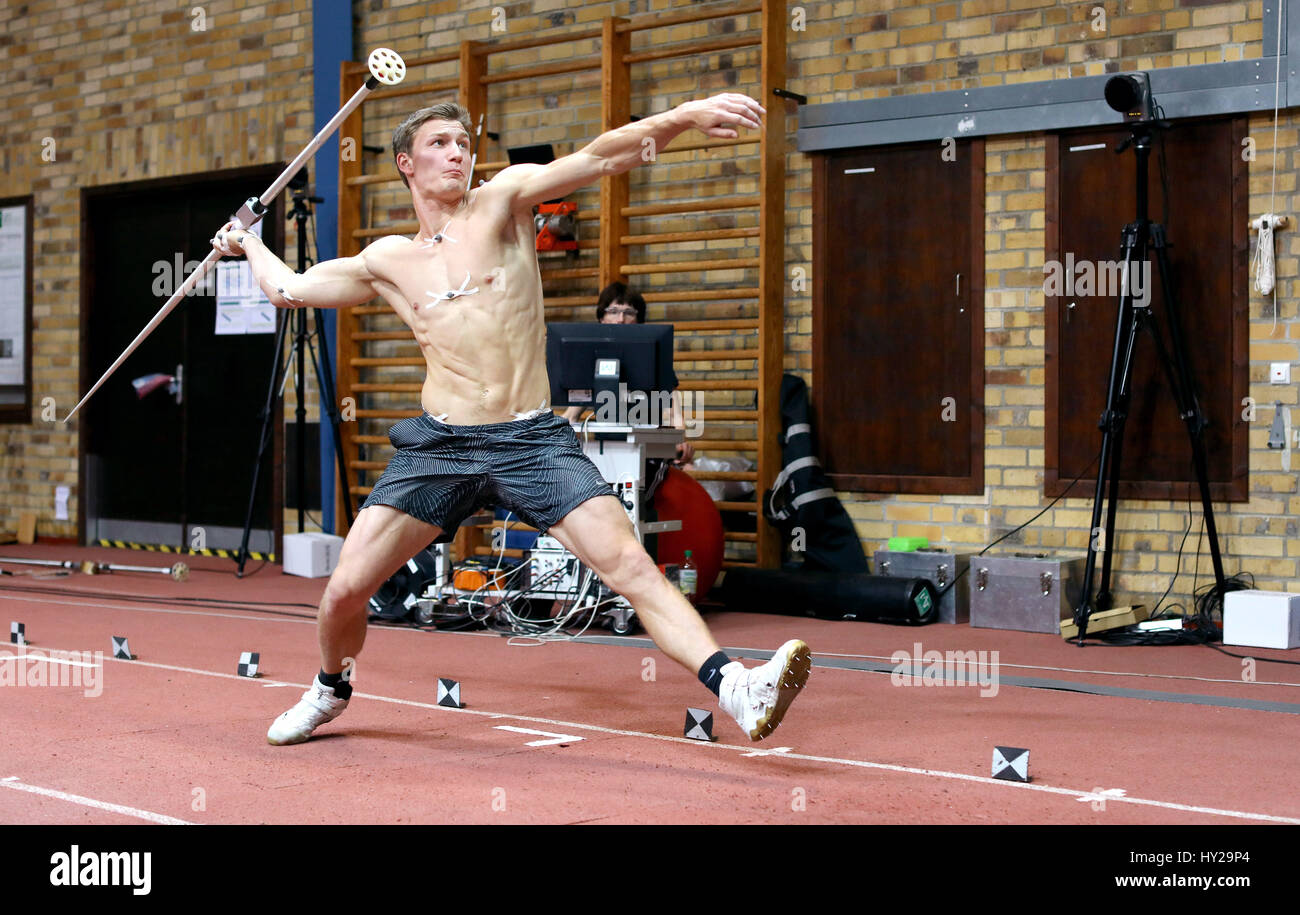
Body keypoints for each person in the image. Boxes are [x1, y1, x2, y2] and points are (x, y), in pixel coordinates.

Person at [211, 93, 810, 746]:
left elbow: (602, 156)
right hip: (440, 445)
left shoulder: (504, 200)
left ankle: (740, 690)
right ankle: (330, 687)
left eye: (462, 143)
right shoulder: (388, 261)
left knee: (630, 566)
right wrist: (245, 241)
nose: (457, 152)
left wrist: (683, 115)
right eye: (439, 143)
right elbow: (291, 289)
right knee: (344, 592)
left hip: (530, 438)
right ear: (406, 164)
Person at [563, 281, 695, 465]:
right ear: (602, 318)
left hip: (649, 453)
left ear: (639, 321)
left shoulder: (656, 360)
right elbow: (571, 415)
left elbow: (673, 413)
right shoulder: (594, 363)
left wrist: (681, 442)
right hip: (606, 453)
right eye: (613, 311)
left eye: (629, 313)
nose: (620, 319)